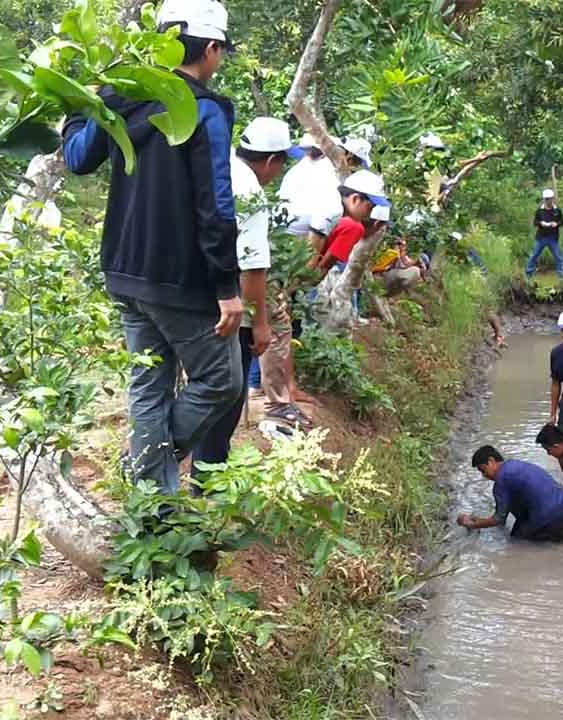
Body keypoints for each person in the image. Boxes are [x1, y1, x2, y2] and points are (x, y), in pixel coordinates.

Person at [62, 0, 241, 494]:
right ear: (210, 49)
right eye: (220, 51)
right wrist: (228, 285)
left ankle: (152, 504)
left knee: (148, 384)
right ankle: (147, 465)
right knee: (222, 381)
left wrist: (80, 107)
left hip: (124, 270)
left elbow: (78, 159)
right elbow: (216, 206)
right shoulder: (204, 111)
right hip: (182, 280)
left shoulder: (122, 97)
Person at [194, 117, 294, 464]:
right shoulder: (250, 191)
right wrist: (259, 323)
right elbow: (252, 268)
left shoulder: (215, 168)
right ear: (271, 161)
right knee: (228, 391)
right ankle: (209, 473)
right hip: (227, 304)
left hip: (189, 293)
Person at [308, 170, 389, 327]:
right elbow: (324, 265)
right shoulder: (352, 226)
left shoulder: (331, 205)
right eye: (369, 207)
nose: (368, 214)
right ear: (355, 199)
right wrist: (307, 284)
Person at [456, 445, 563, 541]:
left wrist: (472, 524)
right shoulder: (516, 465)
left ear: (491, 461)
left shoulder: (501, 480)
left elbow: (498, 519)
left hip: (551, 517)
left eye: (483, 470)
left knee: (517, 542)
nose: (484, 476)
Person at [370, 209, 425, 297]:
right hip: (382, 276)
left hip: (385, 279)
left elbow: (404, 262)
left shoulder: (409, 265)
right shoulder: (394, 253)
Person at [525, 189, 563, 279]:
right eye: (547, 199)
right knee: (534, 255)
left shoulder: (557, 210)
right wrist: (541, 223)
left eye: (550, 198)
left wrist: (556, 224)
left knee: (558, 257)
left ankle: (561, 276)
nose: (549, 201)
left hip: (553, 238)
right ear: (544, 199)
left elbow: (562, 222)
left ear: (553, 198)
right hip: (541, 238)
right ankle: (528, 274)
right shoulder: (539, 211)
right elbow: (535, 222)